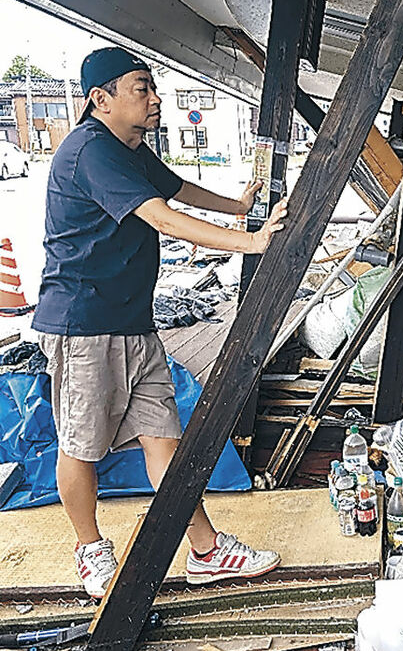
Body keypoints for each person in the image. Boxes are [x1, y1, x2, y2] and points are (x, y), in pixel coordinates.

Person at [32, 47, 286, 598]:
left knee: (164, 439)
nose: (155, 99)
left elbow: (175, 188)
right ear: (101, 99)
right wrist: (250, 241)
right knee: (79, 446)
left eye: (153, 88)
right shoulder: (90, 153)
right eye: (141, 89)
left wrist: (237, 207)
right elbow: (163, 217)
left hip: (135, 323)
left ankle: (205, 550)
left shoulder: (130, 150)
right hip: (84, 326)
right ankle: (90, 548)